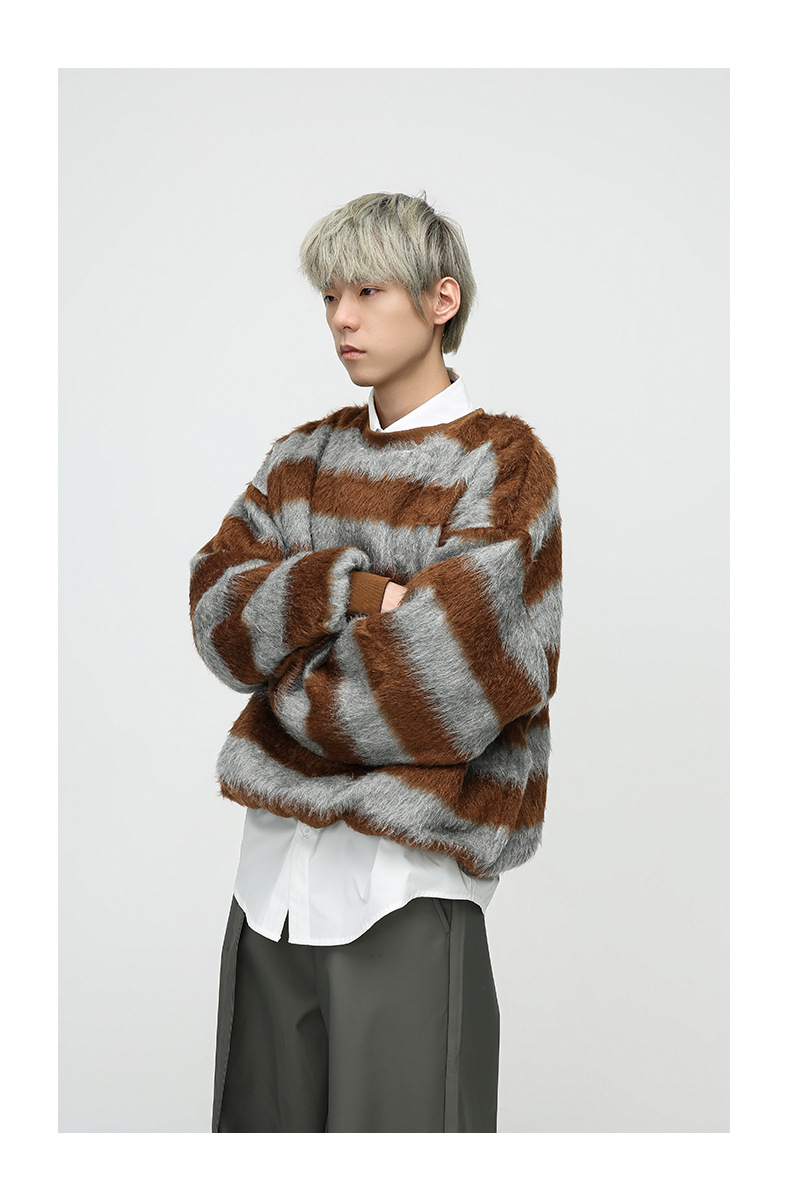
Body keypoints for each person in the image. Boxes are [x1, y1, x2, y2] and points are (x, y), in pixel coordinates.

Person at [188, 190, 563, 1132]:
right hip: (268, 892)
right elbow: (216, 611)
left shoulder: (502, 464)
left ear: (441, 299)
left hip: (403, 891)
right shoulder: (299, 459)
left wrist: (282, 690)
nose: (341, 319)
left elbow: (446, 683)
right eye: (329, 296)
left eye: (367, 291)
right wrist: (351, 591)